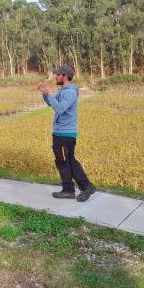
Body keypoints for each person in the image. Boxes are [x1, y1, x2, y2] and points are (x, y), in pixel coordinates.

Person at [37, 65, 96, 202]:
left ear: (64, 76)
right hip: (63, 132)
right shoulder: (64, 90)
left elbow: (60, 108)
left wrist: (49, 93)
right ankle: (84, 187)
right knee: (68, 160)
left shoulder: (69, 92)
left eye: (57, 75)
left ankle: (71, 189)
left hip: (64, 133)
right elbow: (52, 103)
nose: (56, 77)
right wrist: (46, 94)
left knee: (63, 162)